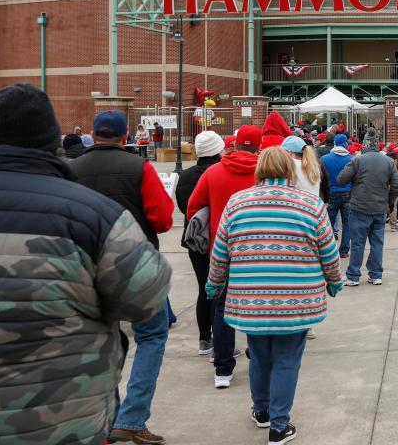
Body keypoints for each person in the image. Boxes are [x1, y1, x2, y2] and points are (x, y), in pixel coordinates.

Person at [0, 83, 171, 444]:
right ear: (51, 139)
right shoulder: (96, 215)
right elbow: (146, 298)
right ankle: (130, 418)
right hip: (58, 423)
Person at [206, 147, 344, 445]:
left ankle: (262, 411)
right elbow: (328, 250)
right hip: (296, 300)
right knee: (286, 360)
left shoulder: (237, 204)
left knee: (258, 357)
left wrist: (214, 284)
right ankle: (279, 426)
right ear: (289, 170)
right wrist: (334, 281)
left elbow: (220, 252)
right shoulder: (310, 204)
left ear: (259, 170)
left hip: (250, 300)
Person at [71, 110, 174, 444]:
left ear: (92, 134)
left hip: (85, 266)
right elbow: (161, 218)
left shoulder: (70, 170)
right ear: (126, 135)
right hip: (135, 263)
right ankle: (131, 418)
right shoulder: (139, 167)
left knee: (98, 341)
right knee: (152, 336)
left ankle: (104, 420)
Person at [187, 125, 261, 389]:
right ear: (259, 145)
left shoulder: (212, 172)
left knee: (221, 308)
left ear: (234, 144)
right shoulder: (264, 172)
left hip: (221, 248)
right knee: (258, 306)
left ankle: (223, 369)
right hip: (256, 250)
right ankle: (258, 357)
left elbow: (193, 207)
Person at [174, 130, 225, 357]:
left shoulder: (184, 177)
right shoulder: (219, 173)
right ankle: (222, 339)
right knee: (221, 290)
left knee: (203, 288)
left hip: (194, 240)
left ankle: (204, 339)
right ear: (217, 150)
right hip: (218, 238)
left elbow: (184, 208)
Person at [336, 127, 398, 285]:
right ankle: (376, 274)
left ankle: (353, 276)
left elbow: (340, 180)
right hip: (380, 208)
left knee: (358, 243)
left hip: (359, 208)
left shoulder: (357, 160)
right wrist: (390, 203)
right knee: (377, 243)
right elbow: (397, 185)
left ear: (365, 143)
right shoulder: (388, 161)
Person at [322, 133, 354, 255]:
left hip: (331, 194)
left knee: (328, 223)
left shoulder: (325, 159)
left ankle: (328, 249)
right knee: (347, 223)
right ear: (345, 144)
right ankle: (344, 250)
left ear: (335, 144)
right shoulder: (351, 159)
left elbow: (321, 179)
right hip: (348, 193)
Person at [282, 135, 330, 202]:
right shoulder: (315, 165)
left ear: (290, 153)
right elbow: (325, 184)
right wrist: (326, 201)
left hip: (298, 209)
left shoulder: (289, 166)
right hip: (314, 207)